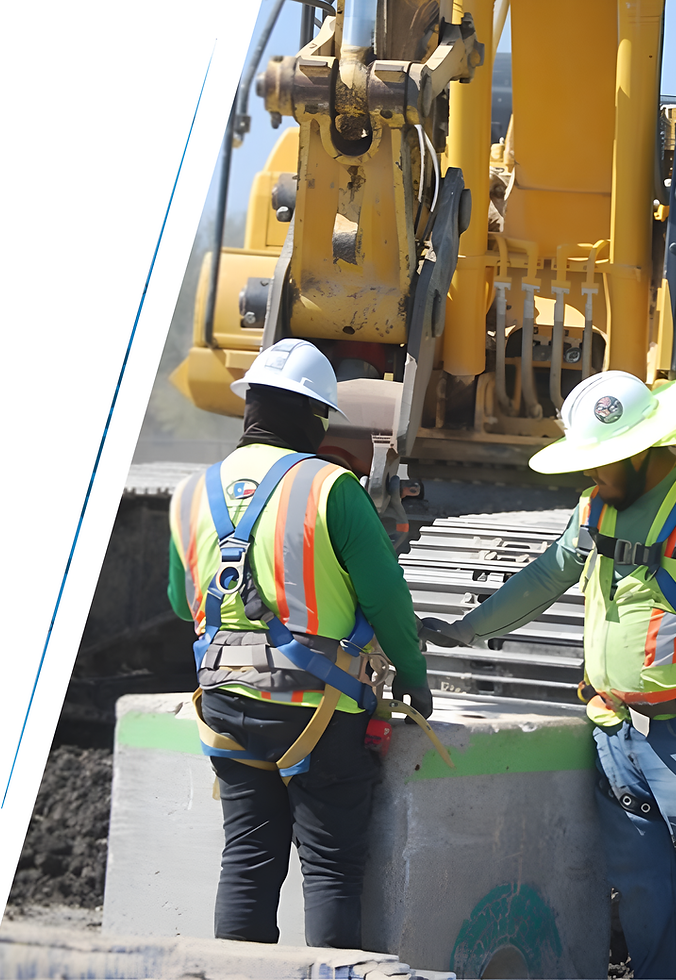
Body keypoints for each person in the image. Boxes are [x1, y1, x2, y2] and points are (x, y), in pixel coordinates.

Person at [421, 372, 676, 980]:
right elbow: (546, 577)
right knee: (643, 887)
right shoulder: (595, 507)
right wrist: (467, 628)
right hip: (615, 730)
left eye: (605, 460)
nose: (591, 473)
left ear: (643, 452)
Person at [167, 338, 432, 948]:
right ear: (316, 417)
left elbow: (185, 605)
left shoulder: (192, 493)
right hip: (318, 711)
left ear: (250, 407)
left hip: (226, 705)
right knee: (331, 869)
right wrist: (414, 677)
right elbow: (388, 602)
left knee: (248, 862)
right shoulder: (332, 488)